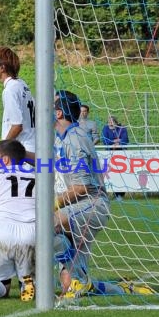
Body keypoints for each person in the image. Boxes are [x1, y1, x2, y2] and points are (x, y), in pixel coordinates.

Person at [52, 90, 111, 298]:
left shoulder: (74, 140)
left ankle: (28, 276)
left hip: (92, 203)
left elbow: (81, 188)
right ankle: (99, 284)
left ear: (58, 113)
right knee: (69, 285)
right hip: (75, 206)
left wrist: (53, 204)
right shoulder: (61, 138)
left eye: (51, 106)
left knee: (48, 223)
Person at [0, 139, 36, 303]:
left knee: (4, 285)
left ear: (6, 160)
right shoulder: (35, 176)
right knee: (32, 280)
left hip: (1, 233)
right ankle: (27, 283)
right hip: (31, 233)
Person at [0, 47, 36, 162]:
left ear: (2, 68)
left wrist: (0, 150)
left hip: (20, 153)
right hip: (32, 147)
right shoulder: (21, 84)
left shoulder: (10, 90)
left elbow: (17, 126)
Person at [102, 115, 129, 201]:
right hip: (110, 154)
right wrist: (115, 141)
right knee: (111, 174)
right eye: (109, 122)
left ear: (116, 123)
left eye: (112, 122)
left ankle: (120, 195)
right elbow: (105, 140)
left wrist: (118, 142)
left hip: (121, 154)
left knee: (121, 174)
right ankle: (113, 193)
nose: (110, 123)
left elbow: (125, 140)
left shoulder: (122, 128)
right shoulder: (105, 129)